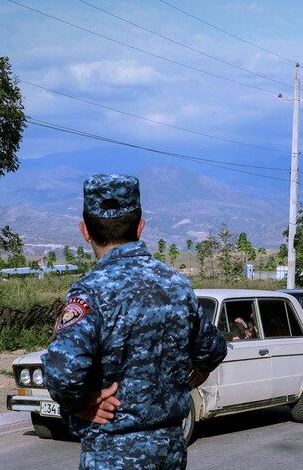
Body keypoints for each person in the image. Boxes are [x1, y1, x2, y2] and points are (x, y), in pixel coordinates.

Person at [42, 174, 227, 469]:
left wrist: (82, 403)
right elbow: (213, 349)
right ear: (140, 227)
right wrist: (197, 372)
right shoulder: (177, 285)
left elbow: (62, 372)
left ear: (85, 231)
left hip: (112, 451)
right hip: (169, 450)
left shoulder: (91, 291)